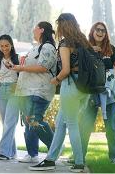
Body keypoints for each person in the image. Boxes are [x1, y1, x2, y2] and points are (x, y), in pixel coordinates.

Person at [30, 13, 90, 172]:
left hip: (70, 85)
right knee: (60, 122)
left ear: (62, 25)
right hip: (85, 87)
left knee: (71, 124)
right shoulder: (83, 41)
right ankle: (50, 159)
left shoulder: (65, 43)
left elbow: (65, 70)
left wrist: (55, 80)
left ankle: (79, 163)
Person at [12, 21, 57, 163]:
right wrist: (20, 64)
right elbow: (32, 65)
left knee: (35, 121)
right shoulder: (37, 47)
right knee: (29, 123)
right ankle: (32, 154)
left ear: (42, 30)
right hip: (27, 90)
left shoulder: (48, 47)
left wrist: (22, 68)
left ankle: (55, 147)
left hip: (39, 90)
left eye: (35, 28)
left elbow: (43, 67)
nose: (33, 30)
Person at [79, 22, 115, 165]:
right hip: (91, 92)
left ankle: (114, 157)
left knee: (111, 126)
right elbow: (79, 67)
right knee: (85, 125)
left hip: (109, 92)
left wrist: (102, 75)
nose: (100, 32)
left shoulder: (111, 49)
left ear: (105, 34)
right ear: (92, 31)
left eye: (103, 30)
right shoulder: (85, 49)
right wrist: (90, 50)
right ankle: (80, 157)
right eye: (97, 29)